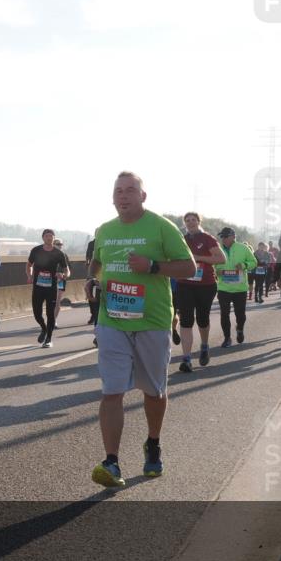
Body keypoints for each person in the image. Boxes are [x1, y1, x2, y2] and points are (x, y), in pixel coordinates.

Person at [89, 172, 196, 488]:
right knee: (112, 390)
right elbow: (94, 263)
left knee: (154, 391)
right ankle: (111, 462)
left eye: (130, 190)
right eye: (118, 191)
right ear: (113, 198)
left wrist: (152, 267)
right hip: (113, 320)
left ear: (143, 196)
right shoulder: (105, 230)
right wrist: (93, 281)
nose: (123, 196)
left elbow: (189, 267)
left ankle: (153, 442)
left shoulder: (162, 227)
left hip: (152, 321)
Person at [174, 212, 225, 372]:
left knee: (202, 319)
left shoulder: (207, 238)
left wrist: (198, 258)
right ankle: (186, 359)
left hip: (206, 285)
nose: (190, 222)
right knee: (186, 320)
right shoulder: (182, 239)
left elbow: (221, 259)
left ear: (198, 221)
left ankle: (204, 346)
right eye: (187, 220)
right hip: (184, 284)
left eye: (193, 220)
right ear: (184, 223)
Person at [213, 227, 257, 347]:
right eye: (222, 237)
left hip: (240, 288)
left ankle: (240, 329)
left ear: (233, 236)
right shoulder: (218, 249)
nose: (223, 239)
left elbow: (254, 262)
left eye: (226, 237)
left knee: (240, 315)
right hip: (224, 288)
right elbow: (212, 265)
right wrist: (217, 271)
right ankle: (227, 338)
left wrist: (244, 265)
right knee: (224, 314)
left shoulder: (243, 248)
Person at [26, 229, 69, 348]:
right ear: (43, 238)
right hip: (38, 287)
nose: (49, 238)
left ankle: (49, 339)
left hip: (51, 288)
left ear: (54, 238)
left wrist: (64, 275)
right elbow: (29, 265)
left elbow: (67, 270)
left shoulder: (59, 254)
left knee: (50, 314)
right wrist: (29, 276)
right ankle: (44, 329)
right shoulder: (36, 250)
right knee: (37, 314)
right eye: (47, 236)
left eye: (51, 236)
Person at [53, 238, 72, 326]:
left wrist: (64, 275)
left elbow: (68, 270)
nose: (59, 246)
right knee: (50, 301)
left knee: (57, 301)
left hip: (61, 281)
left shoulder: (64, 255)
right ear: (53, 244)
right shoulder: (48, 254)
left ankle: (54, 320)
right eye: (57, 244)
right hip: (49, 280)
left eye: (61, 244)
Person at [85, 237, 100, 327]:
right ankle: (93, 314)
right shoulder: (91, 244)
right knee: (91, 296)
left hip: (106, 276)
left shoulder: (109, 242)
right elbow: (88, 257)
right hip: (93, 273)